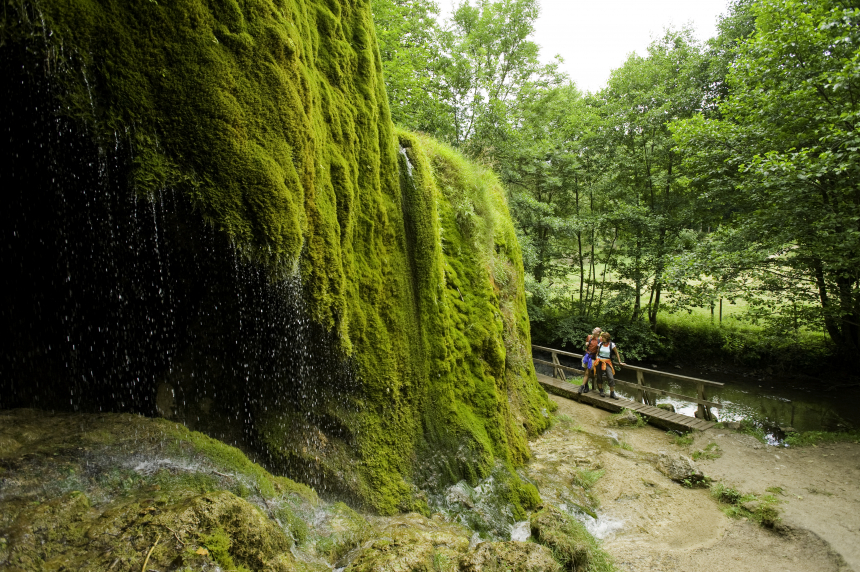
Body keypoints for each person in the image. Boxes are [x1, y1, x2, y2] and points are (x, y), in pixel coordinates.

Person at [593, 332, 624, 399]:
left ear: (607, 338)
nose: (602, 338)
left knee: (611, 377)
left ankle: (612, 393)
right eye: (602, 337)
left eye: (603, 337)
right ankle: (601, 390)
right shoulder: (600, 344)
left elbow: (617, 353)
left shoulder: (611, 345)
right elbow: (597, 352)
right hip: (599, 361)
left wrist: (620, 362)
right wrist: (596, 358)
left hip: (607, 362)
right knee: (599, 376)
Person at [578, 327, 602, 394]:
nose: (593, 330)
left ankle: (581, 387)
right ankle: (586, 386)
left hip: (593, 357)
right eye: (593, 329)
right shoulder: (589, 337)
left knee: (587, 372)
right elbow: (587, 342)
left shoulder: (600, 339)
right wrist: (586, 343)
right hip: (586, 355)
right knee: (585, 372)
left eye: (595, 330)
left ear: (598, 333)